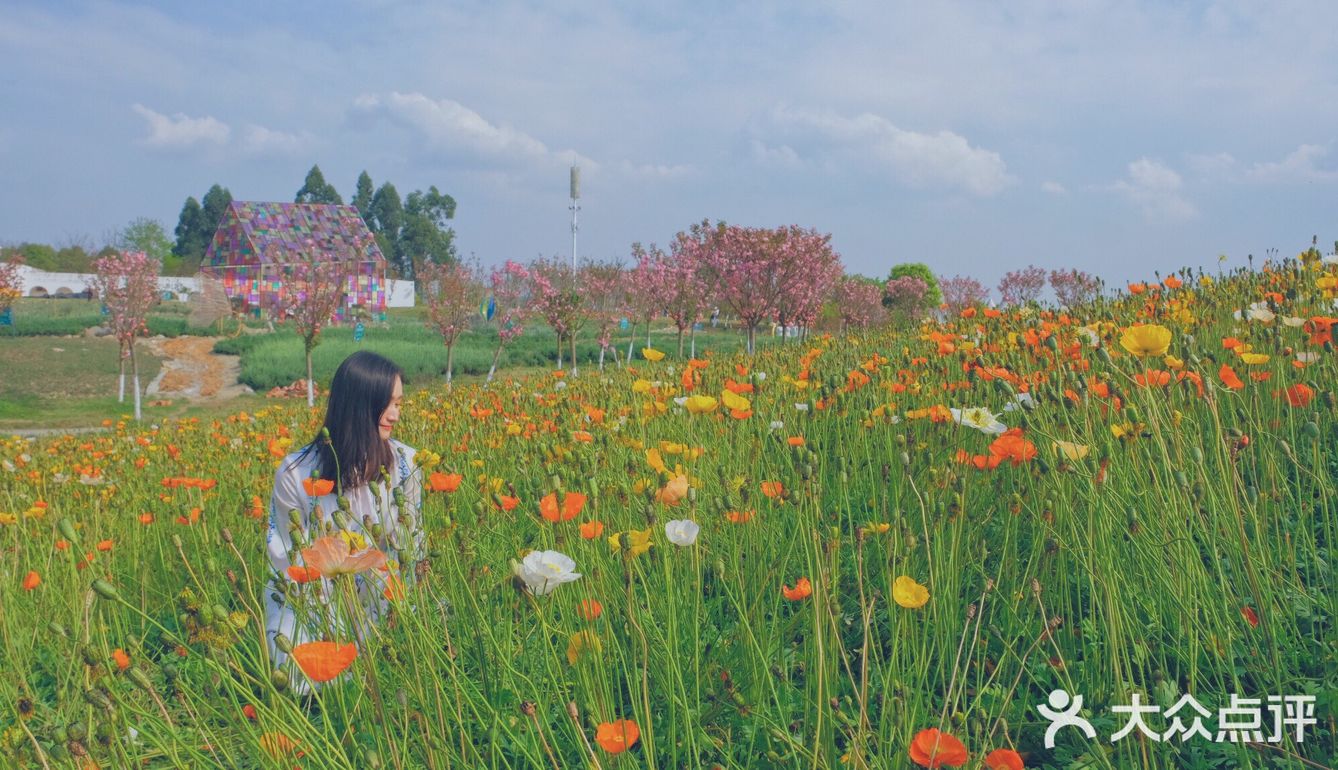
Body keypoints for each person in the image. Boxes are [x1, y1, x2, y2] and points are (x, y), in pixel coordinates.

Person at [264, 351, 423, 688]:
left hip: (382, 587)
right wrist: (331, 619)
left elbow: (410, 544)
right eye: (389, 404)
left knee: (405, 649)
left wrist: (398, 602)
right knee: (298, 669)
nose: (396, 415)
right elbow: (289, 560)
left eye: (400, 403)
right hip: (314, 596)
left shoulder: (406, 463)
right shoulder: (295, 473)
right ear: (360, 404)